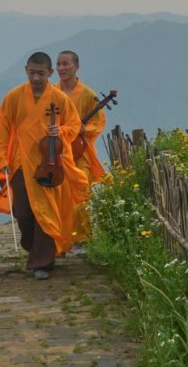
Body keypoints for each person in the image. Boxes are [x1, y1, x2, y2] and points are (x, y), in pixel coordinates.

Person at [0, 52, 89, 280]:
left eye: (41, 73)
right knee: (23, 212)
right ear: (26, 70)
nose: (36, 78)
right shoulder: (15, 96)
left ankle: (43, 262)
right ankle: (34, 249)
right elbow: (1, 127)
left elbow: (74, 124)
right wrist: (1, 157)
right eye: (32, 73)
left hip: (49, 163)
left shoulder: (59, 98)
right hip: (20, 162)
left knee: (45, 213)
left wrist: (62, 131)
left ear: (49, 73)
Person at [55, 50, 107, 254]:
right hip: (58, 151)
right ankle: (62, 238)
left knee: (81, 194)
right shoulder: (52, 92)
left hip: (80, 152)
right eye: (58, 64)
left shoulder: (87, 94)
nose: (62, 68)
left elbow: (98, 121)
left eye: (66, 64)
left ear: (76, 66)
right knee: (60, 196)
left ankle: (82, 239)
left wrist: (85, 129)